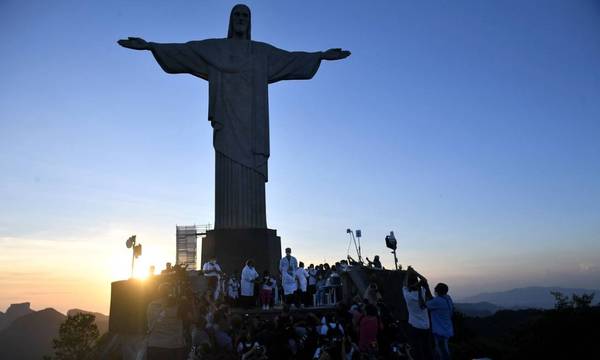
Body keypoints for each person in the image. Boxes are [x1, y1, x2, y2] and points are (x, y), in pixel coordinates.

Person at [145, 283, 186, 360]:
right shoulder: (178, 307)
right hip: (173, 346)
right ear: (172, 292)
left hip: (154, 345)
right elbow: (193, 319)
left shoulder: (151, 305)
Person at [403, 266, 433, 360]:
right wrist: (415, 272)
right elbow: (424, 280)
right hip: (426, 326)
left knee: (417, 348)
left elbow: (404, 284)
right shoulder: (423, 292)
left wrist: (409, 272)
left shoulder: (407, 294)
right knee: (427, 348)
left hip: (414, 326)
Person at [426, 283, 454, 360]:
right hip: (447, 329)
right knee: (442, 349)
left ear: (438, 291)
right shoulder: (448, 298)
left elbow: (424, 305)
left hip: (440, 330)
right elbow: (433, 301)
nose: (434, 291)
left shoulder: (438, 301)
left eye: (435, 289)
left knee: (442, 352)